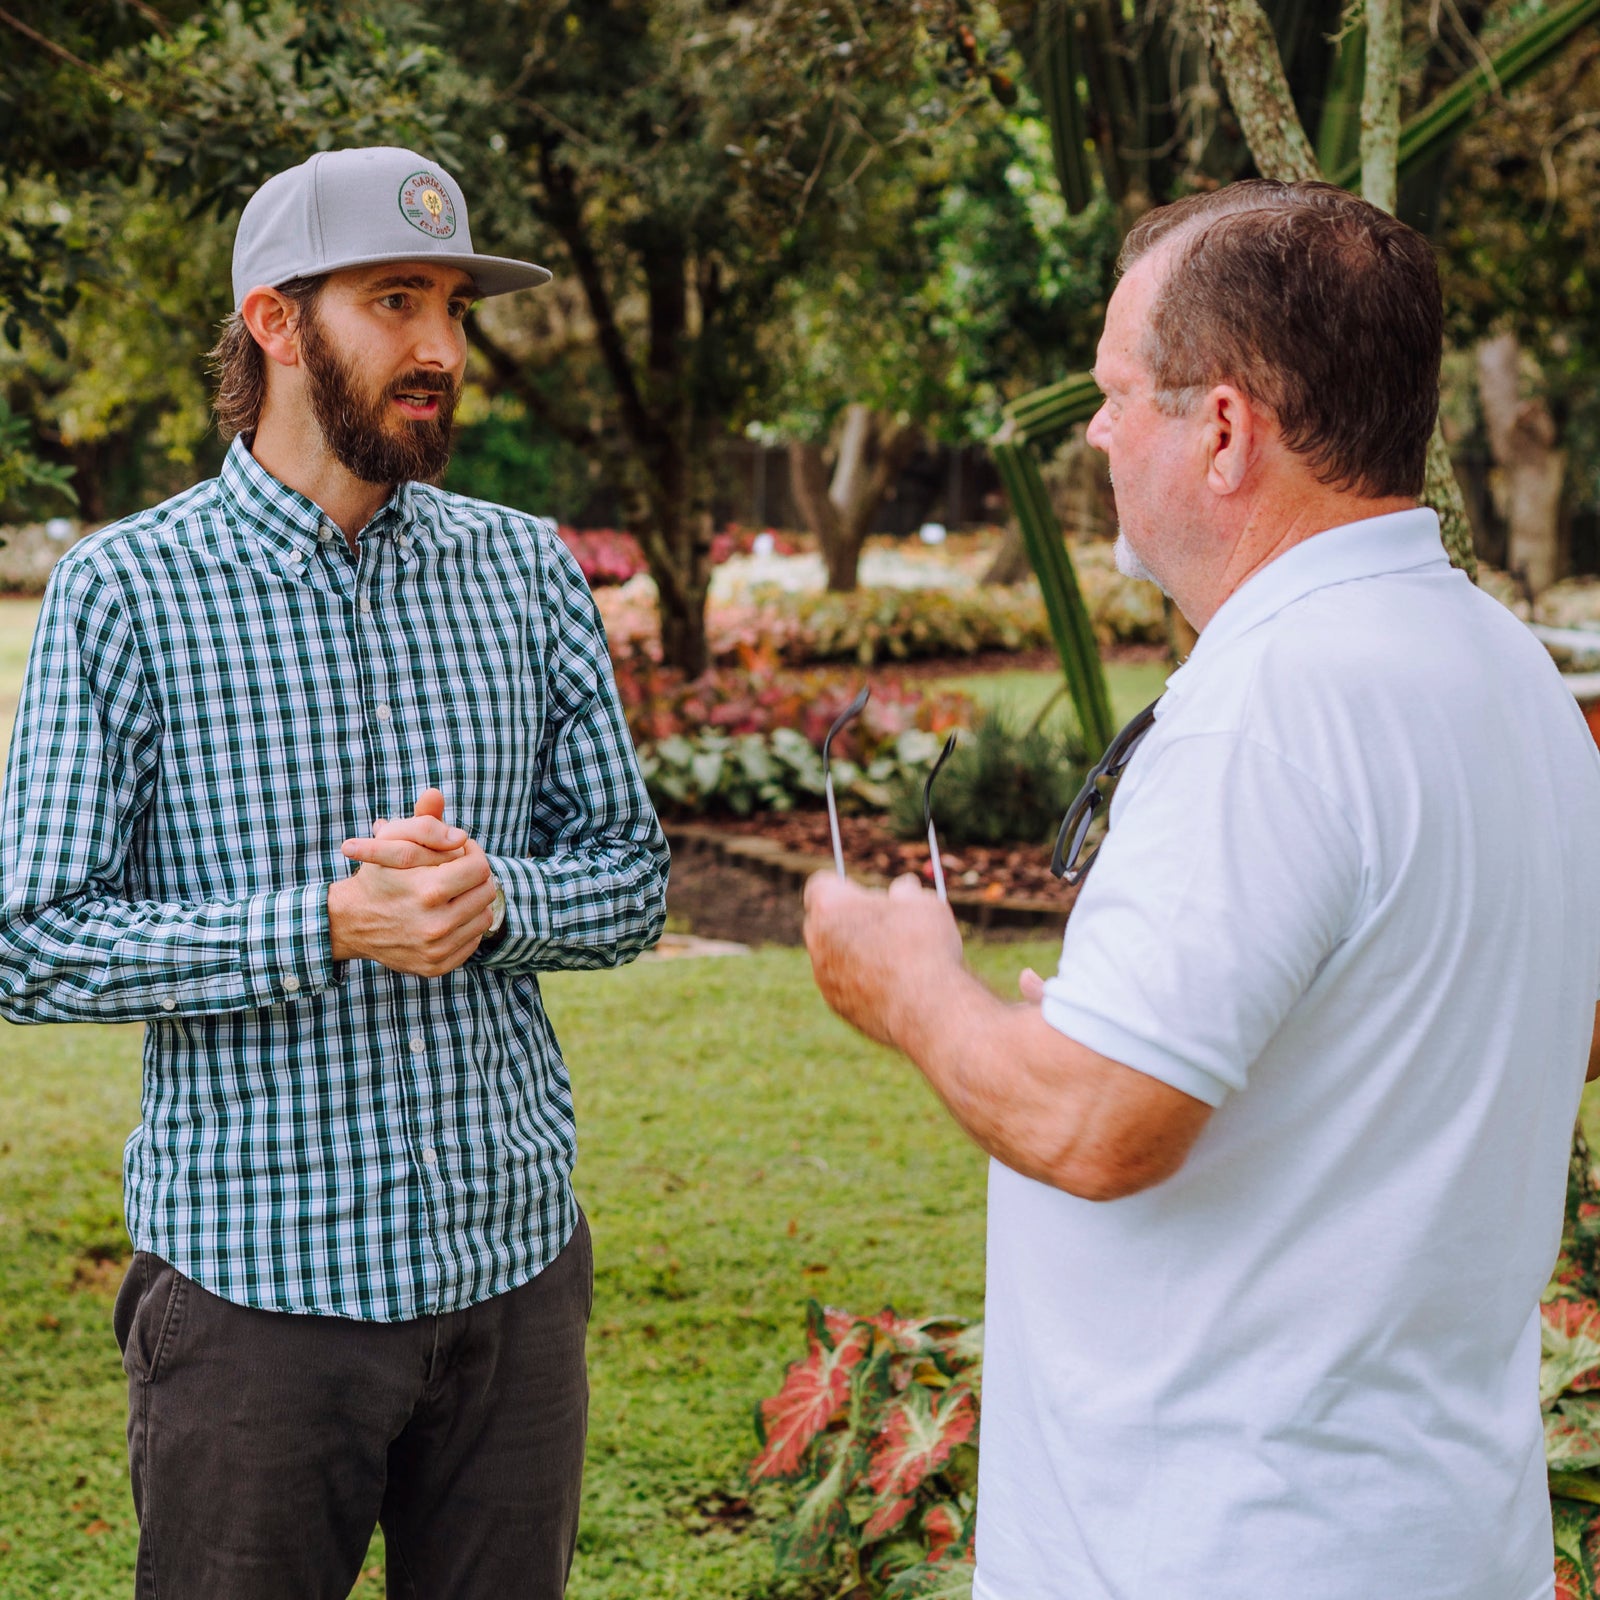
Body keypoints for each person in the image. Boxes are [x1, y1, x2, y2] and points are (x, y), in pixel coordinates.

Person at [804, 179, 1600, 1600]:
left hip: (1225, 1545)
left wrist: (912, 989)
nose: (1097, 432)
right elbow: (1530, 1025)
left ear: (1223, 429)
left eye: (1117, 392)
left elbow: (1099, 1125)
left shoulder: (1272, 709)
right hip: (1439, 1537)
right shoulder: (1507, 672)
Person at [0, 146, 669, 1599]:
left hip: (513, 1278)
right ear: (277, 321)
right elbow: (32, 938)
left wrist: (499, 901)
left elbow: (627, 873)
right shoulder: (126, 592)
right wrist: (328, 924)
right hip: (256, 1304)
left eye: (454, 307)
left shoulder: (523, 569)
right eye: (395, 299)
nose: (439, 347)